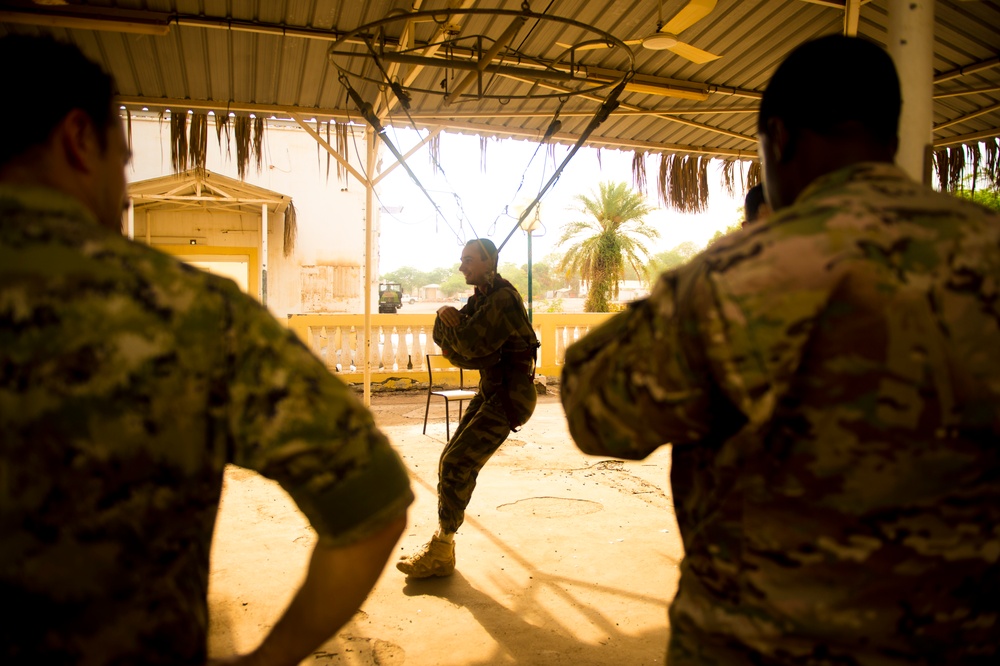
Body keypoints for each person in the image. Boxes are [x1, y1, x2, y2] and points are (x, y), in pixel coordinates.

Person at [561, 34, 1000, 664]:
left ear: (780, 138)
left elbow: (594, 412)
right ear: (891, 139)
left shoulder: (742, 275)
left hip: (765, 643)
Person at [0, 35, 412, 665]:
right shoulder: (189, 312)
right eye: (123, 158)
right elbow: (373, 500)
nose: (125, 187)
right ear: (79, 139)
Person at [396, 238, 539, 578]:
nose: (462, 267)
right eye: (462, 260)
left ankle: (442, 549)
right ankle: (443, 546)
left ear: (489, 261)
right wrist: (446, 319)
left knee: (457, 463)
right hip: (492, 389)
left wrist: (458, 338)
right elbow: (453, 345)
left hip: (509, 396)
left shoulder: (502, 299)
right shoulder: (482, 299)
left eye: (469, 260)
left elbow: (470, 347)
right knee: (450, 459)